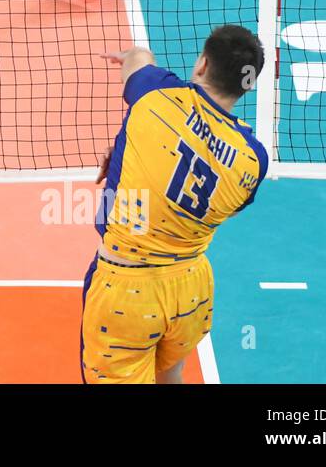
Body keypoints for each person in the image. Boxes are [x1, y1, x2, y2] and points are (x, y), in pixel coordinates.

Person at [82, 25, 269, 383]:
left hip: (126, 290)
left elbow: (138, 57)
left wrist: (127, 147)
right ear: (247, 84)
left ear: (201, 64)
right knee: (171, 373)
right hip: (191, 290)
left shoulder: (156, 94)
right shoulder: (253, 158)